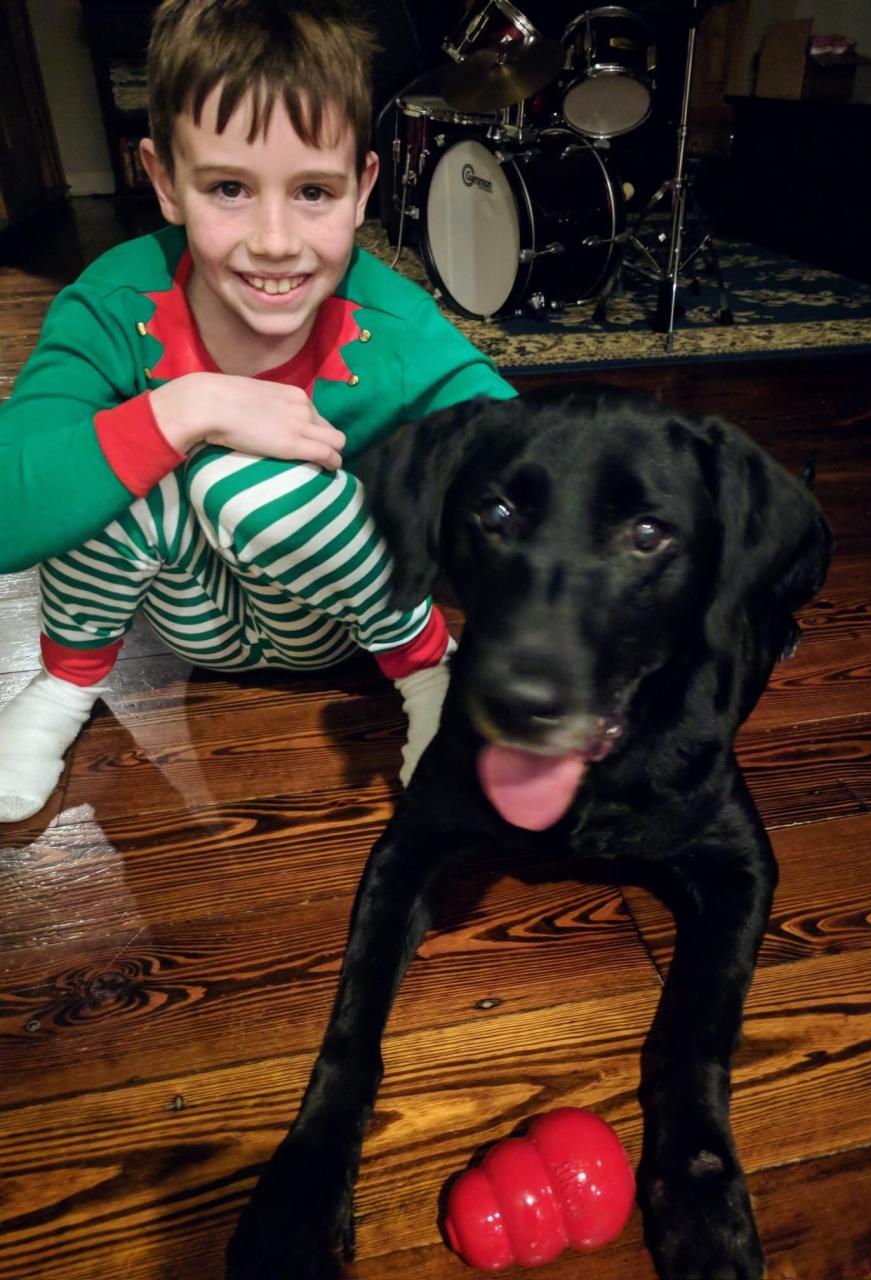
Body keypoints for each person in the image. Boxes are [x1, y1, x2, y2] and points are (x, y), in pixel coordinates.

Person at [0, 0, 516, 822]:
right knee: (121, 455)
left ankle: (430, 673)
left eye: (313, 191)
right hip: (190, 616)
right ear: (164, 182)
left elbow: (531, 464)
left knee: (241, 478)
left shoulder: (396, 324)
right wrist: (187, 406)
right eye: (230, 188)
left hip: (343, 621)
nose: (275, 240)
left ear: (361, 192)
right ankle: (65, 683)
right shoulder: (108, 302)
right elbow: (6, 514)